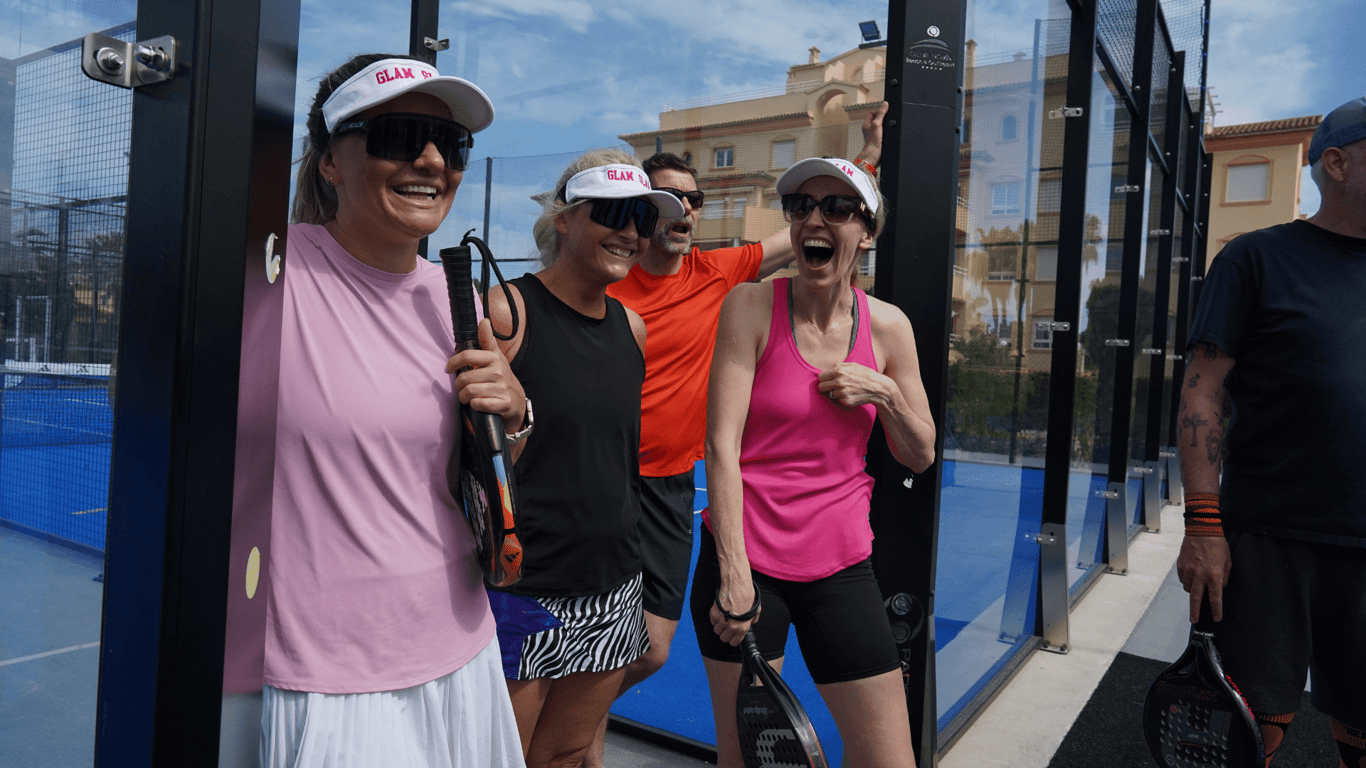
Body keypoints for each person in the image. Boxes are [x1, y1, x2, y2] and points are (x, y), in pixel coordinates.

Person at [584, 104, 888, 765]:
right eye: (668, 199)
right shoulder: (608, 281)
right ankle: (570, 735)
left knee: (651, 650)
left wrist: (866, 156)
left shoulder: (719, 274)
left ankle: (575, 717)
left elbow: (820, 225)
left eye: (693, 200)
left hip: (667, 486)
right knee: (586, 641)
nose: (684, 211)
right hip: (599, 480)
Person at [258, 53, 527, 767]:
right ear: (330, 162)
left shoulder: (454, 299)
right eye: (399, 136)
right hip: (327, 674)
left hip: (460, 646)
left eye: (452, 144)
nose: (432, 160)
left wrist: (515, 416)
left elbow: (475, 476)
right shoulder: (267, 274)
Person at [692, 156, 935, 768]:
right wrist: (734, 573)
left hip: (841, 564)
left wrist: (884, 393)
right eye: (801, 206)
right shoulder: (750, 306)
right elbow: (721, 445)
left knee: (889, 760)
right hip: (747, 560)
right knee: (745, 759)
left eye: (837, 208)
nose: (814, 220)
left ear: (867, 232)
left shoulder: (889, 328)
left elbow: (920, 453)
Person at [479, 150, 685, 768]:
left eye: (641, 220)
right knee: (501, 760)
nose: (630, 233)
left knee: (567, 756)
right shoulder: (506, 313)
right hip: (522, 587)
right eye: (612, 214)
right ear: (564, 218)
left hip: (613, 583)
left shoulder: (632, 327)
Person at [1177, 97, 1366, 767]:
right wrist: (1203, 525)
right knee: (1246, 735)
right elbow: (1202, 390)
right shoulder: (1255, 258)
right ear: (1337, 164)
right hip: (1269, 538)